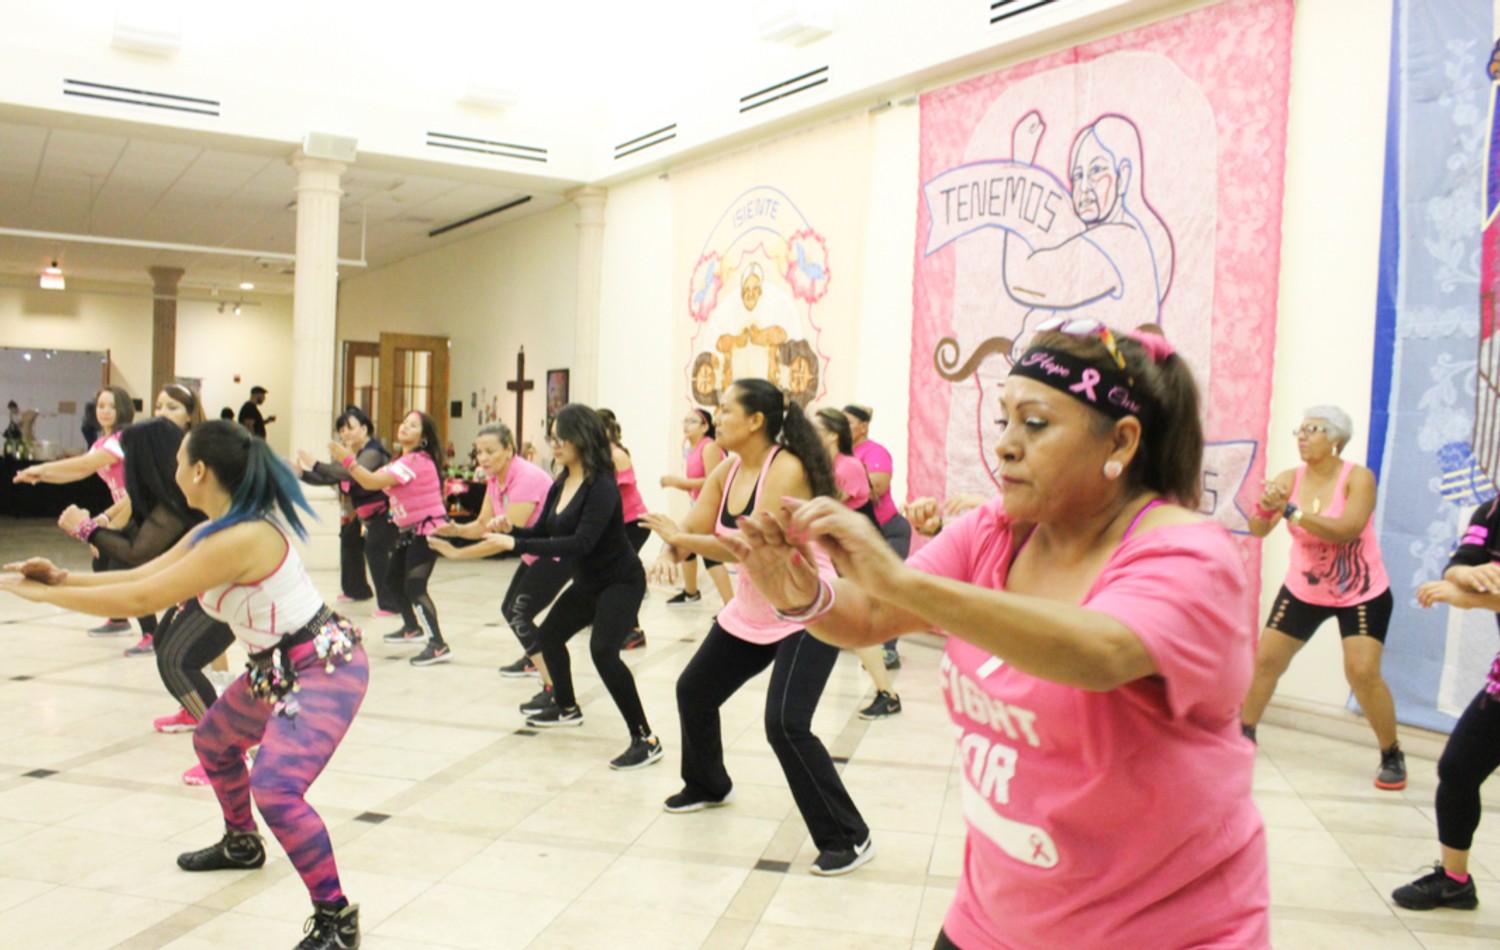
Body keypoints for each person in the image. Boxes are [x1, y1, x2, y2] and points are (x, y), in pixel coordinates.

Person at [724, 322, 1268, 945]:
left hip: (1157, 931)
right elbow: (871, 616)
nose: (1006, 446)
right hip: (992, 918)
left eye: (1034, 424)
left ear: (1121, 440)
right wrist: (804, 594)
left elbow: (1101, 649)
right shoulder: (996, 530)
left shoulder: (1187, 553)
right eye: (1002, 421)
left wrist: (901, 583)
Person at [2, 419, 368, 949]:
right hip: (279, 666)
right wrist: (60, 579)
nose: (173, 469)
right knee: (214, 742)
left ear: (199, 471)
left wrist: (43, 596)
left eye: (179, 461)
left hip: (324, 667)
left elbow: (137, 602)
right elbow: (138, 577)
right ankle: (242, 843)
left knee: (276, 788)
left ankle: (336, 919)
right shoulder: (213, 529)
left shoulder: (241, 536)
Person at [644, 379, 875, 876]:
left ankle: (849, 837)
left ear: (755, 421)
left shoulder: (785, 468)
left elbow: (749, 548)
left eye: (726, 410)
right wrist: (670, 548)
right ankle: (708, 784)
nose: (716, 417)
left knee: (786, 724)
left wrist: (680, 537)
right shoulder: (728, 468)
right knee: (695, 690)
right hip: (755, 608)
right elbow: (698, 525)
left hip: (807, 605)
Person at [484, 404, 662, 770]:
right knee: (549, 636)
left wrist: (516, 546)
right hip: (588, 582)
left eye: (561, 436)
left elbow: (581, 543)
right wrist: (512, 531)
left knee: (603, 652)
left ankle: (645, 738)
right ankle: (566, 706)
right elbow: (545, 532)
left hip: (620, 581)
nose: (555, 443)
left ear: (582, 437)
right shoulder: (562, 481)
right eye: (552, 436)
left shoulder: (602, 485)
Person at [1241, 406, 1405, 790]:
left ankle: (1391, 752)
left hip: (1361, 590)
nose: (1302, 436)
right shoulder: (1288, 479)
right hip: (1305, 587)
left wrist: (1292, 513)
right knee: (1267, 660)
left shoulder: (1358, 478)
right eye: (1299, 430)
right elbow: (1257, 528)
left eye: (1312, 430)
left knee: (1362, 672)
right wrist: (1268, 505)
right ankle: (1243, 731)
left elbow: (1346, 530)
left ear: (1335, 440)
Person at [1391, 497, 1500, 911]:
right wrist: (1468, 574)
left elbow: (1468, 593)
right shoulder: (1492, 511)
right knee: (1458, 768)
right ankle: (1455, 881)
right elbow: (1459, 563)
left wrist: (1472, 597)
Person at [428, 422, 562, 699]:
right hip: (535, 552)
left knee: (519, 613)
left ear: (509, 450)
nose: (483, 458)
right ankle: (534, 658)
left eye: (490, 451)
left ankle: (554, 687)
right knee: (510, 609)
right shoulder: (494, 479)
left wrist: (457, 554)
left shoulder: (527, 478)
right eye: (479, 452)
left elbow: (505, 539)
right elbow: (483, 525)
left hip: (557, 554)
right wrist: (456, 531)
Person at [13, 385, 137, 636]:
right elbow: (78, 471)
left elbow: (83, 466)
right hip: (119, 509)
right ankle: (118, 618)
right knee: (102, 560)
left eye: (112, 406)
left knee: (121, 567)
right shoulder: (102, 442)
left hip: (137, 509)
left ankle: (150, 632)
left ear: (123, 409)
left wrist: (43, 470)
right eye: (101, 405)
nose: (105, 411)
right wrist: (43, 476)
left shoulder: (122, 440)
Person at [332, 411, 450, 666]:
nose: (405, 427)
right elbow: (368, 480)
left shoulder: (417, 460)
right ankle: (411, 627)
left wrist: (347, 459)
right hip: (410, 532)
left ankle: (438, 644)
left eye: (413, 425)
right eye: (404, 422)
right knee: (393, 580)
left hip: (428, 532)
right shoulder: (403, 460)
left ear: (424, 437)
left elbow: (372, 481)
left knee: (416, 587)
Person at [813, 407, 901, 720]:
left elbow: (825, 507)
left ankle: (887, 694)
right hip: (841, 551)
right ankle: (886, 693)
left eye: (815, 427)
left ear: (833, 434)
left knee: (860, 627)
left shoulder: (848, 465)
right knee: (854, 628)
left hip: (859, 552)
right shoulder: (824, 464)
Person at [294, 407, 399, 615]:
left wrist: (315, 463)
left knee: (375, 548)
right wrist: (301, 473)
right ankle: (356, 590)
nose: (345, 434)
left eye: (350, 428)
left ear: (364, 428)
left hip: (387, 514)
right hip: (364, 516)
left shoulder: (373, 452)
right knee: (350, 539)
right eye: (341, 430)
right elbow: (329, 477)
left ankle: (392, 604)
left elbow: (350, 472)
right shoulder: (349, 456)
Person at [844, 403, 911, 670]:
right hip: (861, 533)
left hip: (889, 530)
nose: (843, 428)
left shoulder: (875, 452)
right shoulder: (843, 455)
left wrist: (840, 491)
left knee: (887, 591)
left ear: (863, 426)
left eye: (848, 422)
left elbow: (877, 485)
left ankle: (888, 651)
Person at [660, 408, 734, 607]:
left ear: (705, 427)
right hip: (699, 504)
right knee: (689, 546)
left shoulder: (709, 447)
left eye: (692, 421)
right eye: (685, 420)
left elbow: (712, 481)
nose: (686, 425)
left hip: (714, 506)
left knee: (709, 554)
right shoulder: (690, 448)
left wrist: (679, 482)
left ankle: (729, 604)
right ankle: (690, 592)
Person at [598, 407, 649, 650]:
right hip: (621, 524)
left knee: (622, 575)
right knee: (613, 574)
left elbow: (609, 494)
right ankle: (618, 622)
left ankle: (632, 629)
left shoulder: (616, 455)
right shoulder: (600, 454)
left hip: (634, 523)